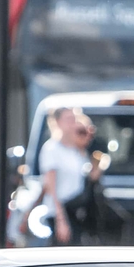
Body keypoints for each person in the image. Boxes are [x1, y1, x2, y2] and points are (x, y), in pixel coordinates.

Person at [29, 105, 98, 246]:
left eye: (74, 118)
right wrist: (61, 220)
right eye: (68, 119)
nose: (72, 122)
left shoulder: (76, 149)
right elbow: (50, 186)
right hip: (60, 212)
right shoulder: (51, 149)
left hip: (77, 210)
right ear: (57, 122)